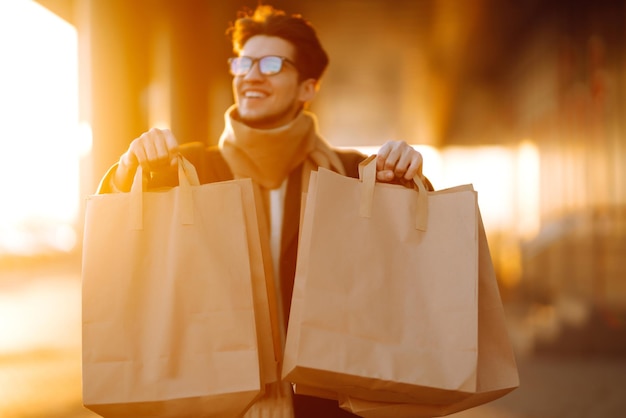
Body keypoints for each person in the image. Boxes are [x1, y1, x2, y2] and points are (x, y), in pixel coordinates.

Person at [97, 4, 432, 417]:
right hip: (219, 400)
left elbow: (402, 258)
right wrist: (130, 172)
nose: (251, 74)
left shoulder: (352, 175)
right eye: (243, 62)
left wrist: (400, 179)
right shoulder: (189, 171)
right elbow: (125, 238)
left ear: (307, 88)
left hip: (333, 402)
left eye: (271, 63)